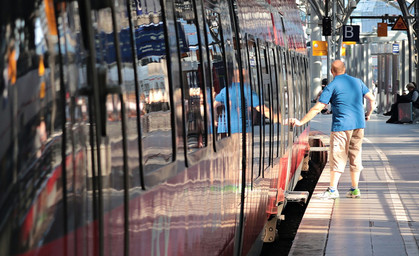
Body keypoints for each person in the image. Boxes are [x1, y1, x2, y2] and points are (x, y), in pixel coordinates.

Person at [289, 60, 375, 199]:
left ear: (331, 71)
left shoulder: (332, 85)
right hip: (359, 125)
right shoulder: (358, 82)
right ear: (345, 69)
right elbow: (371, 99)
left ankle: (333, 190)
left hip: (342, 126)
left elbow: (318, 107)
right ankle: (354, 189)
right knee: (355, 155)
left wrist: (301, 122)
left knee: (338, 156)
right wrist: (368, 114)